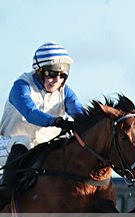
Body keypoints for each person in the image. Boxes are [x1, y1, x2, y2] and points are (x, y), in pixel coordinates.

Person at [0, 42, 85, 203]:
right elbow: (31, 113)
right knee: (22, 141)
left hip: (43, 148)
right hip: (9, 145)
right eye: (52, 74)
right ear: (39, 70)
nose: (57, 80)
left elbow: (80, 113)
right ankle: (4, 192)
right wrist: (57, 121)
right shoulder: (21, 86)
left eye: (63, 76)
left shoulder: (65, 91)